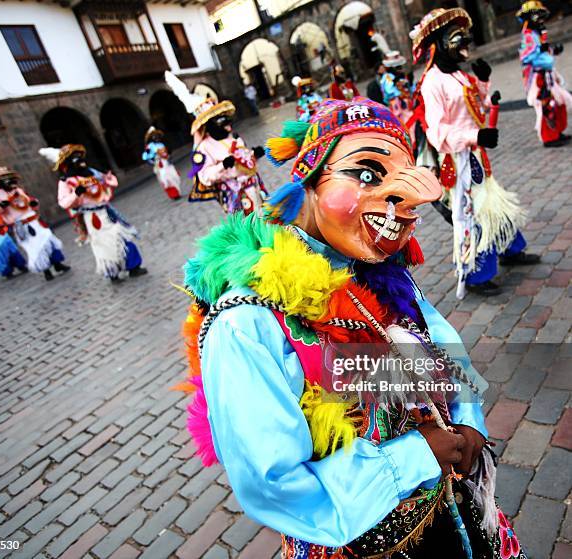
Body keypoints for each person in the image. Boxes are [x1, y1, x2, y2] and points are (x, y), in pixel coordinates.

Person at [177, 97, 525, 558]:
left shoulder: (380, 269)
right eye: (365, 174)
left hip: (450, 511)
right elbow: (272, 480)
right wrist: (416, 457)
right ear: (310, 178)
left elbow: (439, 346)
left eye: (404, 178)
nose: (401, 204)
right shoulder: (247, 321)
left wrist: (467, 420)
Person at [409, 8, 539, 298]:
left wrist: (483, 82)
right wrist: (474, 135)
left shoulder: (457, 74)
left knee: (493, 201)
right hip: (457, 159)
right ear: (439, 45)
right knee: (473, 213)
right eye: (456, 37)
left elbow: (474, 103)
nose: (464, 41)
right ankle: (477, 274)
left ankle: (511, 249)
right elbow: (437, 132)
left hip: (476, 155)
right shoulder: (433, 82)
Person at [42, 144, 147, 282]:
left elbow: (112, 183)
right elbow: (63, 203)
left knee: (123, 238)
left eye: (79, 156)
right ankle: (112, 273)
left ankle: (134, 267)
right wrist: (75, 194)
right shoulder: (66, 182)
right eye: (74, 158)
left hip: (106, 211)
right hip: (92, 217)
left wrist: (107, 177)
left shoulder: (92, 172)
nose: (79, 160)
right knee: (103, 244)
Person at [166, 71, 266, 216]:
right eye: (220, 120)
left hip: (254, 186)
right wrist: (222, 166)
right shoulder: (204, 147)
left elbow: (241, 159)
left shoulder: (233, 137)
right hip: (236, 195)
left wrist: (254, 155)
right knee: (250, 232)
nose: (227, 124)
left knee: (267, 222)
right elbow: (205, 176)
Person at [0, 166, 69, 281]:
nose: (9, 182)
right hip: (18, 225)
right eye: (5, 180)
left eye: (10, 178)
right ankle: (45, 270)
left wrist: (33, 203)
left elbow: (28, 201)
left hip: (33, 220)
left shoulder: (19, 191)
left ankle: (57, 264)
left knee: (49, 240)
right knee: (35, 247)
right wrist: (0, 206)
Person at [517, 0, 572, 147]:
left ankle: (557, 132)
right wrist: (541, 51)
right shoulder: (528, 35)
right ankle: (549, 137)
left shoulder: (537, 33)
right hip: (539, 76)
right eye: (536, 15)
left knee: (557, 104)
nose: (540, 19)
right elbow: (526, 56)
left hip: (547, 74)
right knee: (546, 105)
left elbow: (543, 51)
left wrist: (553, 50)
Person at [379, 51, 415, 139]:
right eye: (397, 67)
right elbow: (389, 90)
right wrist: (400, 93)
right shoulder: (388, 77)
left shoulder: (401, 75)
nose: (399, 68)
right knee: (405, 123)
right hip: (398, 104)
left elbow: (410, 87)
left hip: (407, 102)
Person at [142, 126, 182, 200]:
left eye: (156, 135)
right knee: (165, 178)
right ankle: (173, 194)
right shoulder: (150, 146)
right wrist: (148, 154)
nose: (155, 137)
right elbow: (145, 157)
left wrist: (168, 155)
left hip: (167, 162)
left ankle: (177, 191)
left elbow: (168, 151)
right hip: (159, 164)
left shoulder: (162, 144)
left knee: (174, 176)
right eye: (153, 136)